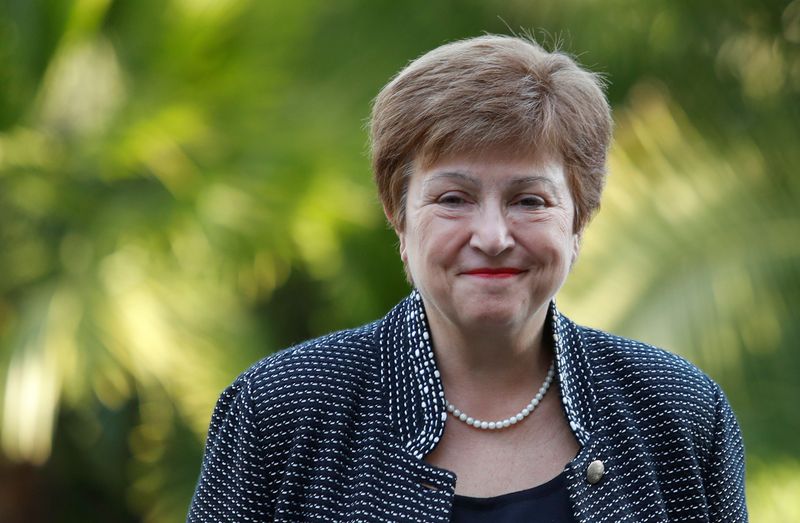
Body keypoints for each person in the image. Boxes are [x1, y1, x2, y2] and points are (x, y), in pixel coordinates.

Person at [187, 35, 748, 522]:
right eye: (454, 198)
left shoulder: (678, 413)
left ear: (579, 219)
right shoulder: (280, 413)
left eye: (530, 200)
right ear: (398, 215)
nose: (493, 235)